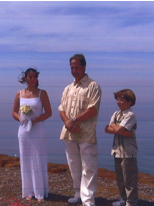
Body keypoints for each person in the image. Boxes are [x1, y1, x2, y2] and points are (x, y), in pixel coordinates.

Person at [59, 54, 102, 206]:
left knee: (88, 167)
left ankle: (88, 200)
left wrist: (74, 120)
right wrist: (67, 123)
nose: (74, 70)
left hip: (86, 134)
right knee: (74, 165)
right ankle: (78, 193)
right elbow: (61, 109)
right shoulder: (68, 88)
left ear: (84, 67)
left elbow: (92, 109)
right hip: (69, 133)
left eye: (77, 67)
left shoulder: (93, 86)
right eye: (72, 67)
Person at [11, 68, 52, 201]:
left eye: (34, 77)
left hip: (38, 129)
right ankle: (28, 191)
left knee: (38, 158)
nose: (32, 79)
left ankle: (40, 192)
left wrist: (36, 119)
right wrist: (21, 118)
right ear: (25, 78)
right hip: (24, 131)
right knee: (26, 159)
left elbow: (49, 112)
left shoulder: (42, 93)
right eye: (30, 77)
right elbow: (14, 112)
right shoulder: (19, 94)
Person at [106, 89, 138, 206]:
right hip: (117, 151)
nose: (118, 102)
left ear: (130, 102)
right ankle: (124, 199)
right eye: (117, 99)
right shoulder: (116, 114)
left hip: (128, 152)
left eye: (121, 100)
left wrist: (115, 126)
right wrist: (123, 131)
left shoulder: (130, 115)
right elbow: (106, 129)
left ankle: (131, 202)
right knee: (120, 179)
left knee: (129, 180)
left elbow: (115, 129)